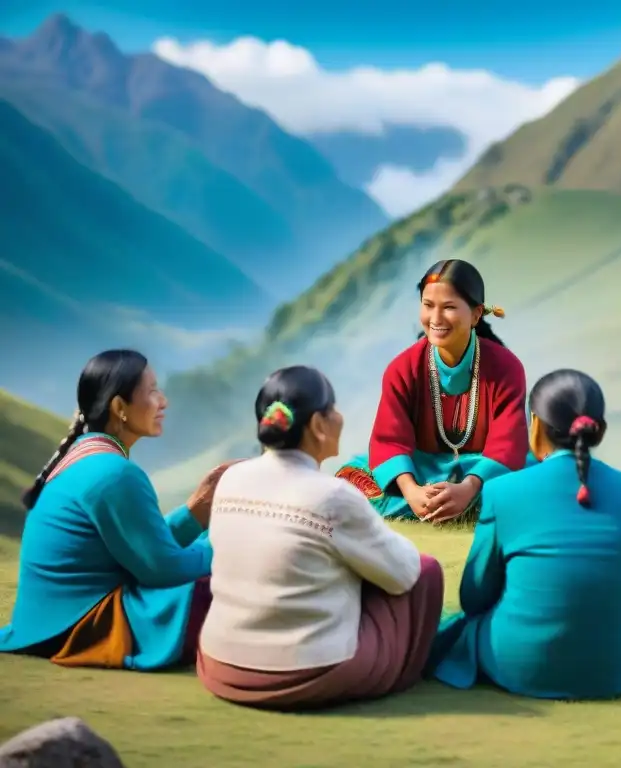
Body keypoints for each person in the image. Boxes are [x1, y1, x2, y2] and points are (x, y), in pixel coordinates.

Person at [196, 365, 444, 710]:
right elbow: (404, 573)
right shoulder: (333, 496)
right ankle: (404, 673)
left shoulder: (230, 478)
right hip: (305, 673)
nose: (340, 417)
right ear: (317, 425)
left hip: (220, 664)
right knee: (426, 570)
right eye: (334, 410)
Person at [427, 369, 621, 699]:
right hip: (617, 667)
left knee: (462, 625)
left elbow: (475, 597)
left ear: (535, 424)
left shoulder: (502, 491)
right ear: (599, 429)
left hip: (519, 663)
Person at [0, 349, 231, 670]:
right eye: (152, 391)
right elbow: (164, 569)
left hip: (47, 621)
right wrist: (231, 540)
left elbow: (142, 545)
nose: (163, 402)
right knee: (232, 586)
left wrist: (197, 511)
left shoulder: (87, 457)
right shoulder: (113, 472)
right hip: (83, 624)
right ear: (120, 407)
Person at [337, 259, 529, 523]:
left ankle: (458, 504)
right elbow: (389, 440)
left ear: (476, 314)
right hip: (419, 469)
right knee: (352, 478)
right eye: (428, 306)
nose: (435, 319)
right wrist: (411, 491)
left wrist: (469, 488)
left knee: (531, 476)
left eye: (449, 307)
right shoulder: (403, 368)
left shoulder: (507, 368)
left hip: (483, 468)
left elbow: (508, 443)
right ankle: (443, 507)